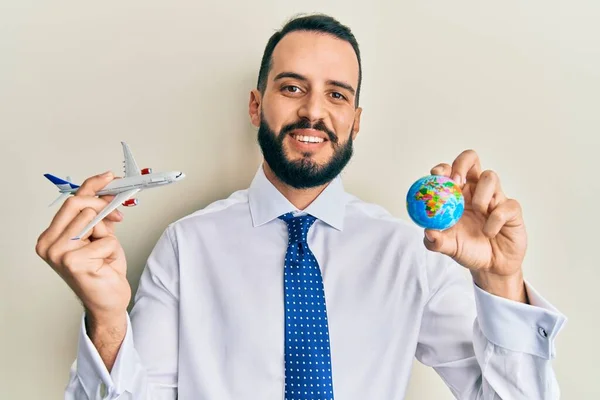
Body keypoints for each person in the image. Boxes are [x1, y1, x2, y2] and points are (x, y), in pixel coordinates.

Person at [36, 13, 566, 400]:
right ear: (256, 104)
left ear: (355, 121)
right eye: (292, 88)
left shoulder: (412, 250)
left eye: (337, 95)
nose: (313, 111)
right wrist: (107, 324)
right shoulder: (186, 247)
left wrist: (500, 282)